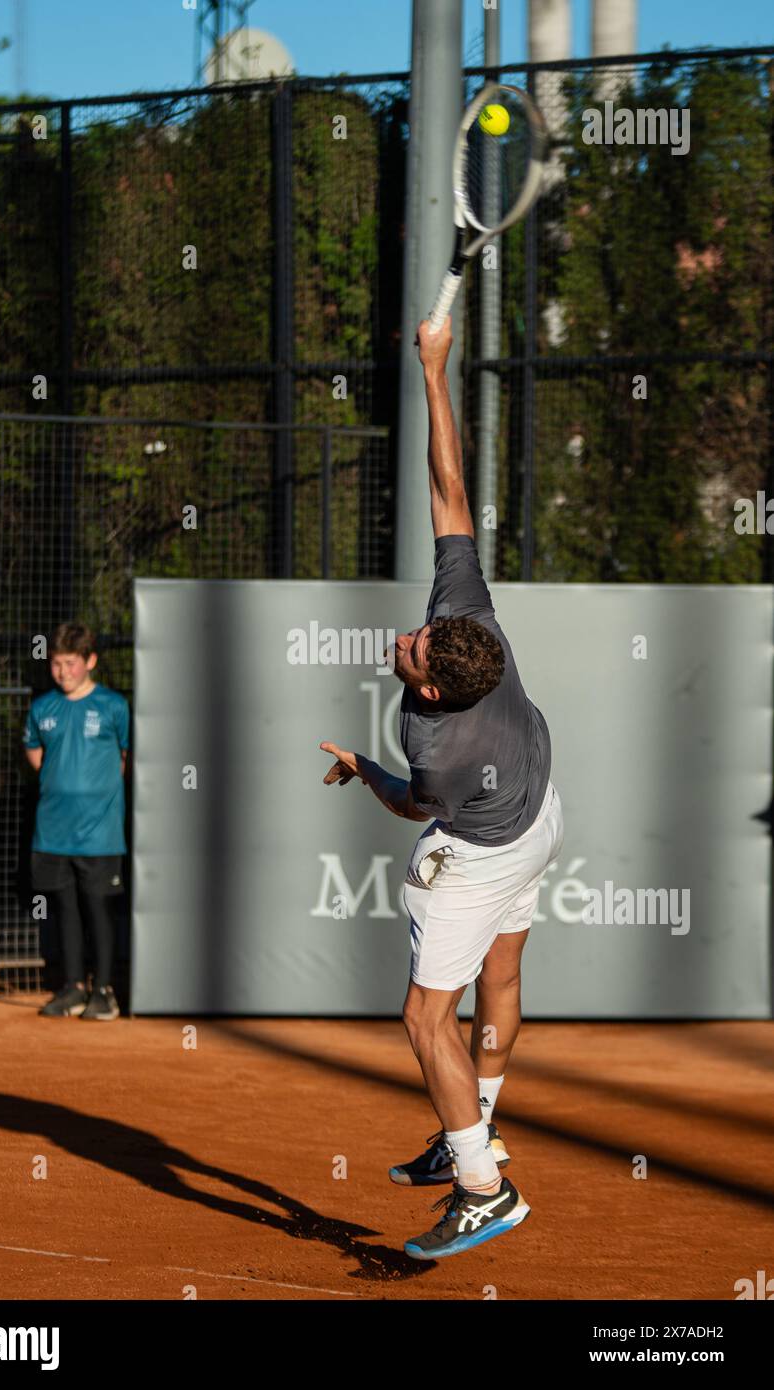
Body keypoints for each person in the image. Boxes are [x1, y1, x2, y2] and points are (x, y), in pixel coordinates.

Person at [320, 315, 563, 1260]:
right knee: (499, 975)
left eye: (410, 648)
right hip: (541, 814)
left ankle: (480, 1185)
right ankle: (479, 1120)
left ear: (426, 684)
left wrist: (362, 768)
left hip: (480, 848)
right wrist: (435, 367)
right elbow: (451, 486)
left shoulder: (429, 737)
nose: (403, 637)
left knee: (425, 1018)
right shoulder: (468, 618)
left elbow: (416, 808)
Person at [23, 623, 130, 1022]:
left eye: (71, 663)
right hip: (53, 830)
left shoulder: (113, 706)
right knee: (63, 909)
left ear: (90, 661)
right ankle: (72, 988)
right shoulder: (42, 708)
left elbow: (125, 758)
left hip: (101, 834)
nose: (62, 671)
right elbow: (34, 754)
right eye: (55, 663)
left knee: (99, 909)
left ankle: (103, 992)